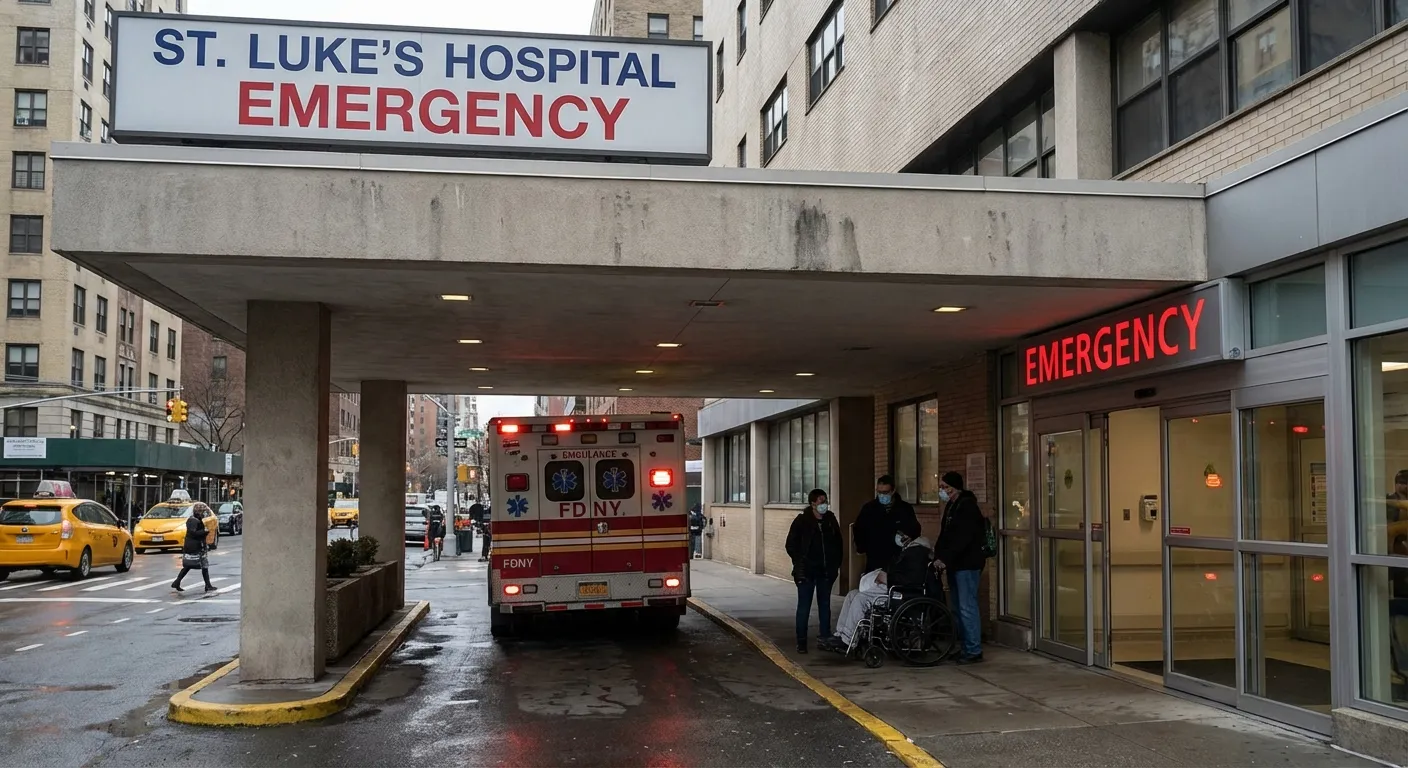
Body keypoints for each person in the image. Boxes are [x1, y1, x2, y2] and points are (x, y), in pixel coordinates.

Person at [822, 518, 930, 652]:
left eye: (902, 534)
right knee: (852, 595)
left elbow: (912, 579)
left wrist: (887, 578)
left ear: (910, 535)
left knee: (860, 599)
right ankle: (841, 634)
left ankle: (847, 640)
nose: (900, 537)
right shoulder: (908, 549)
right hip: (892, 586)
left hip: (900, 592)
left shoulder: (917, 552)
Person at [932, 471, 988, 664]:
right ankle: (965, 646)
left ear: (953, 488)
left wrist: (944, 558)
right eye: (941, 487)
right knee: (957, 607)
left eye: (944, 487)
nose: (942, 491)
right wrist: (938, 556)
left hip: (968, 564)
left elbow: (961, 539)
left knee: (966, 607)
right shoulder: (952, 506)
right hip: (956, 564)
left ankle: (973, 649)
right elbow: (945, 535)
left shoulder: (967, 507)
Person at [785, 489, 842, 653]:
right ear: (812, 504)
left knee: (825, 605)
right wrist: (799, 563)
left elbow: (838, 543)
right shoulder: (802, 521)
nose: (824, 504)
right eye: (820, 501)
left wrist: (835, 565)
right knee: (804, 606)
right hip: (807, 572)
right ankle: (801, 641)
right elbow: (791, 545)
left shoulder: (830, 520)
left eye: (825, 501)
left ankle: (825, 637)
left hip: (825, 572)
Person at [853, 475, 919, 574]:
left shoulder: (905, 509)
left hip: (898, 558)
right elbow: (859, 529)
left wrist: (909, 537)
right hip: (875, 558)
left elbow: (915, 528)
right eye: (879, 492)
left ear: (893, 491)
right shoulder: (869, 509)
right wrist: (862, 547)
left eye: (885, 492)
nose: (882, 495)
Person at [172, 508, 215, 593]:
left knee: (197, 565)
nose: (203, 514)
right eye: (202, 512)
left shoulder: (196, 520)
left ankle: (177, 582)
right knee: (195, 565)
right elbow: (194, 533)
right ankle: (208, 585)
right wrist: (205, 531)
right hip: (195, 546)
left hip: (196, 546)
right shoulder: (193, 521)